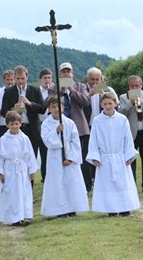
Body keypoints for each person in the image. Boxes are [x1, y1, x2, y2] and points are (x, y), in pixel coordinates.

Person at [87, 93, 140, 217]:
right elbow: (93, 139)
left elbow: (128, 138)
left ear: (115, 103)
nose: (108, 106)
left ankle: (124, 209)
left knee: (122, 183)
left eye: (110, 103)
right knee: (108, 184)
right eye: (105, 104)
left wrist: (129, 155)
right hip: (105, 157)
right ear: (101, 105)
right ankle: (111, 209)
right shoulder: (97, 121)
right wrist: (95, 156)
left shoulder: (122, 119)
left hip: (120, 157)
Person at [40, 96, 89, 218]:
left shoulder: (70, 122)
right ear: (49, 109)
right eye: (53, 107)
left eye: (58, 106)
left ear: (63, 106)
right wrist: (56, 132)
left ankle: (72, 207)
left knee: (71, 182)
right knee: (57, 182)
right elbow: (47, 141)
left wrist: (71, 157)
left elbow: (75, 141)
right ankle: (58, 209)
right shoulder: (46, 124)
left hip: (69, 157)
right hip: (55, 158)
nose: (56, 109)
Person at [0, 111, 38, 226]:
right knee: (11, 192)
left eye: (16, 124)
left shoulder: (24, 138)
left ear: (21, 124)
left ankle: (25, 215)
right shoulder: (3, 139)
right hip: (9, 170)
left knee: (24, 191)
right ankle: (13, 217)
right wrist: (0, 171)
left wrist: (32, 170)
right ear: (7, 125)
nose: (14, 126)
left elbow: (30, 155)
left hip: (22, 169)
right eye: (12, 124)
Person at [54, 62, 92, 192]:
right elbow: (49, 103)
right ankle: (66, 186)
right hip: (62, 128)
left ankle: (86, 185)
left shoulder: (80, 86)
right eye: (63, 72)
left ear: (72, 73)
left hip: (79, 128)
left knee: (81, 156)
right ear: (59, 74)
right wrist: (61, 92)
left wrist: (71, 90)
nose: (66, 74)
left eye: (68, 71)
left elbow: (86, 101)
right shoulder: (54, 88)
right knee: (64, 157)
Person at [119, 75, 143, 193]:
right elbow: (121, 113)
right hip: (131, 133)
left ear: (141, 86)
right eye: (132, 86)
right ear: (129, 87)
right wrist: (131, 103)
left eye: (137, 86)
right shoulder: (123, 97)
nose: (135, 88)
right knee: (131, 160)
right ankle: (131, 185)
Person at [1, 65, 46, 162]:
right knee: (17, 158)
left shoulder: (35, 90)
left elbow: (43, 109)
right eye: (18, 78)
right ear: (15, 78)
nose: (20, 81)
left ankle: (31, 177)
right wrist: (13, 110)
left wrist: (29, 103)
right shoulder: (8, 91)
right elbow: (4, 111)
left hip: (32, 129)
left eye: (23, 78)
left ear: (27, 77)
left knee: (31, 158)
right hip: (15, 129)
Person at [38, 68, 53, 182]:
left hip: (53, 123)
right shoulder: (37, 91)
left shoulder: (55, 90)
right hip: (41, 123)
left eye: (49, 78)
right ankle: (44, 177)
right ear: (40, 80)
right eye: (45, 78)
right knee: (43, 152)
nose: (47, 80)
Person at [0, 70, 15, 138]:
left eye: (11, 79)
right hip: (3, 125)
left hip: (17, 125)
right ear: (4, 80)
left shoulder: (19, 91)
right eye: (7, 80)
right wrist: (12, 109)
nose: (9, 82)